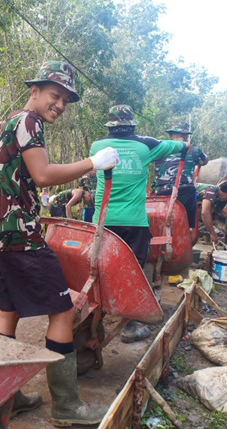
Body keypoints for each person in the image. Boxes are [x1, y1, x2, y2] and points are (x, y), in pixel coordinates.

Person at [0, 60, 119, 427]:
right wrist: (92, 163)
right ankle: (66, 406)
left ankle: (3, 399)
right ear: (34, 92)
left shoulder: (4, 123)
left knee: (9, 311)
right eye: (55, 96)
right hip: (21, 233)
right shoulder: (29, 122)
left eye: (65, 100)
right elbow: (43, 175)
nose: (60, 105)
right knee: (63, 310)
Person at [90, 105, 188, 343]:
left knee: (100, 269)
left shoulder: (97, 147)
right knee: (134, 271)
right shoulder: (147, 146)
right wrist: (185, 145)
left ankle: (97, 314)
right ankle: (130, 325)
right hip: (134, 223)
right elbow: (181, 146)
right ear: (132, 124)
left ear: (110, 125)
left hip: (102, 222)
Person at [153, 122, 208, 227]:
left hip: (161, 191)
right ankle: (190, 228)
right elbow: (204, 161)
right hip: (185, 191)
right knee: (192, 193)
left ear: (171, 136)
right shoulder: (193, 150)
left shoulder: (159, 148)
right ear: (185, 136)